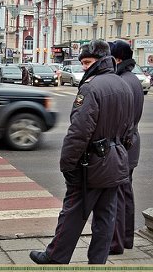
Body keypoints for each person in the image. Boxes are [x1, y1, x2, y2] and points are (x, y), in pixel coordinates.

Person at [29, 40, 134, 264]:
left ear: (100, 60)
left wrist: (67, 164)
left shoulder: (91, 88)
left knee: (73, 213)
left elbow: (79, 132)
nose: (84, 68)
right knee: (106, 216)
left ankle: (56, 256)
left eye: (87, 62)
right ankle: (97, 262)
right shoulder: (123, 85)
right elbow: (129, 129)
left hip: (92, 164)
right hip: (116, 160)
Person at [107, 40, 144, 255]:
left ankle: (116, 243)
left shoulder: (122, 81)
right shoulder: (132, 79)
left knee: (118, 196)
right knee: (126, 193)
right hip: (131, 146)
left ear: (117, 59)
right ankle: (127, 238)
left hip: (123, 146)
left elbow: (123, 121)